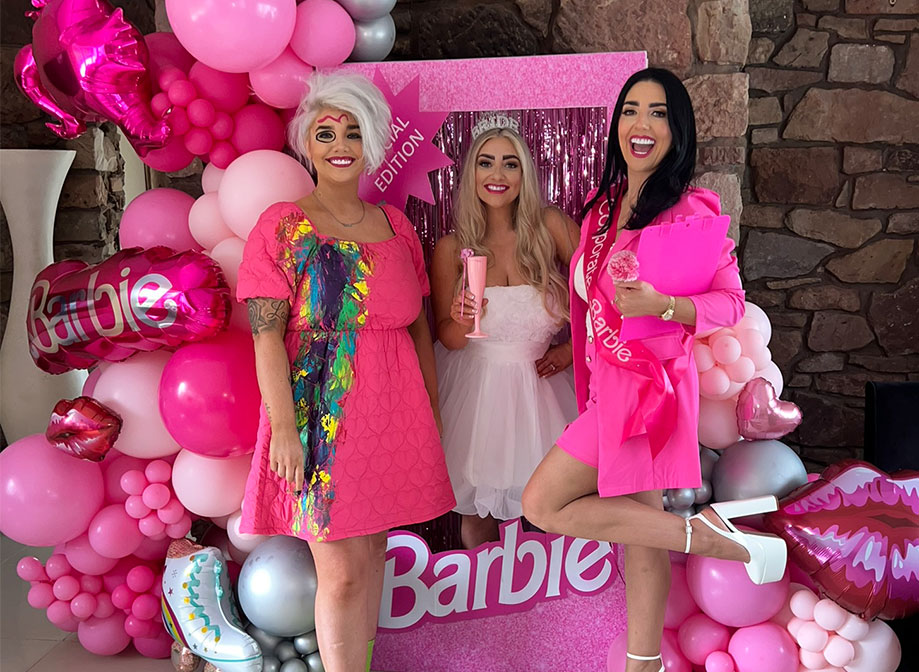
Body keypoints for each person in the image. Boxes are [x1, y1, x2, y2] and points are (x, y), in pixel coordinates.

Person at [521, 68, 787, 672]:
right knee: (640, 534)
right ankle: (644, 664)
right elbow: (589, 304)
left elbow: (730, 302)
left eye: (659, 113)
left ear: (678, 129)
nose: (641, 125)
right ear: (617, 124)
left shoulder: (688, 210)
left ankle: (711, 540)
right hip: (605, 388)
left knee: (542, 502)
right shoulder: (601, 209)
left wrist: (663, 306)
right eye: (631, 111)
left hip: (649, 394)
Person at [236, 71, 455, 672]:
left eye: (353, 132)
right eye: (326, 131)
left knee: (372, 564)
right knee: (340, 574)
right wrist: (283, 427)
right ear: (306, 142)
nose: (339, 144)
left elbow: (419, 332)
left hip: (395, 414)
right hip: (319, 419)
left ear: (373, 143)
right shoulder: (282, 226)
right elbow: (266, 336)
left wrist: (431, 417)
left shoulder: (398, 227)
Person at [431, 117, 580, 549]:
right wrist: (461, 319)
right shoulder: (450, 248)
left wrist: (570, 351)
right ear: (471, 173)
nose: (497, 175)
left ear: (524, 174)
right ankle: (489, 611)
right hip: (477, 398)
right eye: (486, 163)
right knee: (479, 514)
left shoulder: (550, 227)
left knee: (555, 509)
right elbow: (448, 339)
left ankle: (555, 608)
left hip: (543, 391)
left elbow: (600, 292)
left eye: (510, 164)